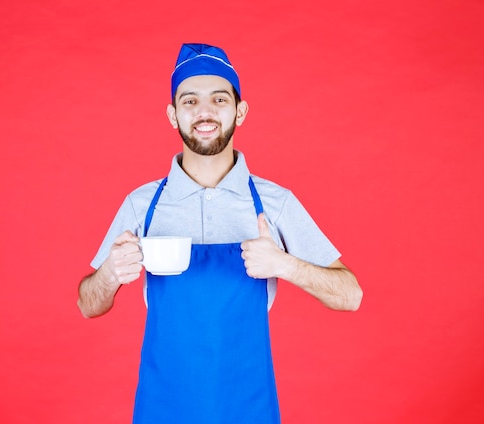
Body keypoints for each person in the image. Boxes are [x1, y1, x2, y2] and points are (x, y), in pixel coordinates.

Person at [77, 43, 363, 424]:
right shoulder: (142, 205)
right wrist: (110, 274)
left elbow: (351, 296)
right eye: (190, 101)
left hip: (248, 403)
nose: (205, 112)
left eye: (219, 99)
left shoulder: (274, 203)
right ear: (172, 114)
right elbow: (86, 304)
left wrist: (287, 265)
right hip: (164, 405)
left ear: (240, 111)